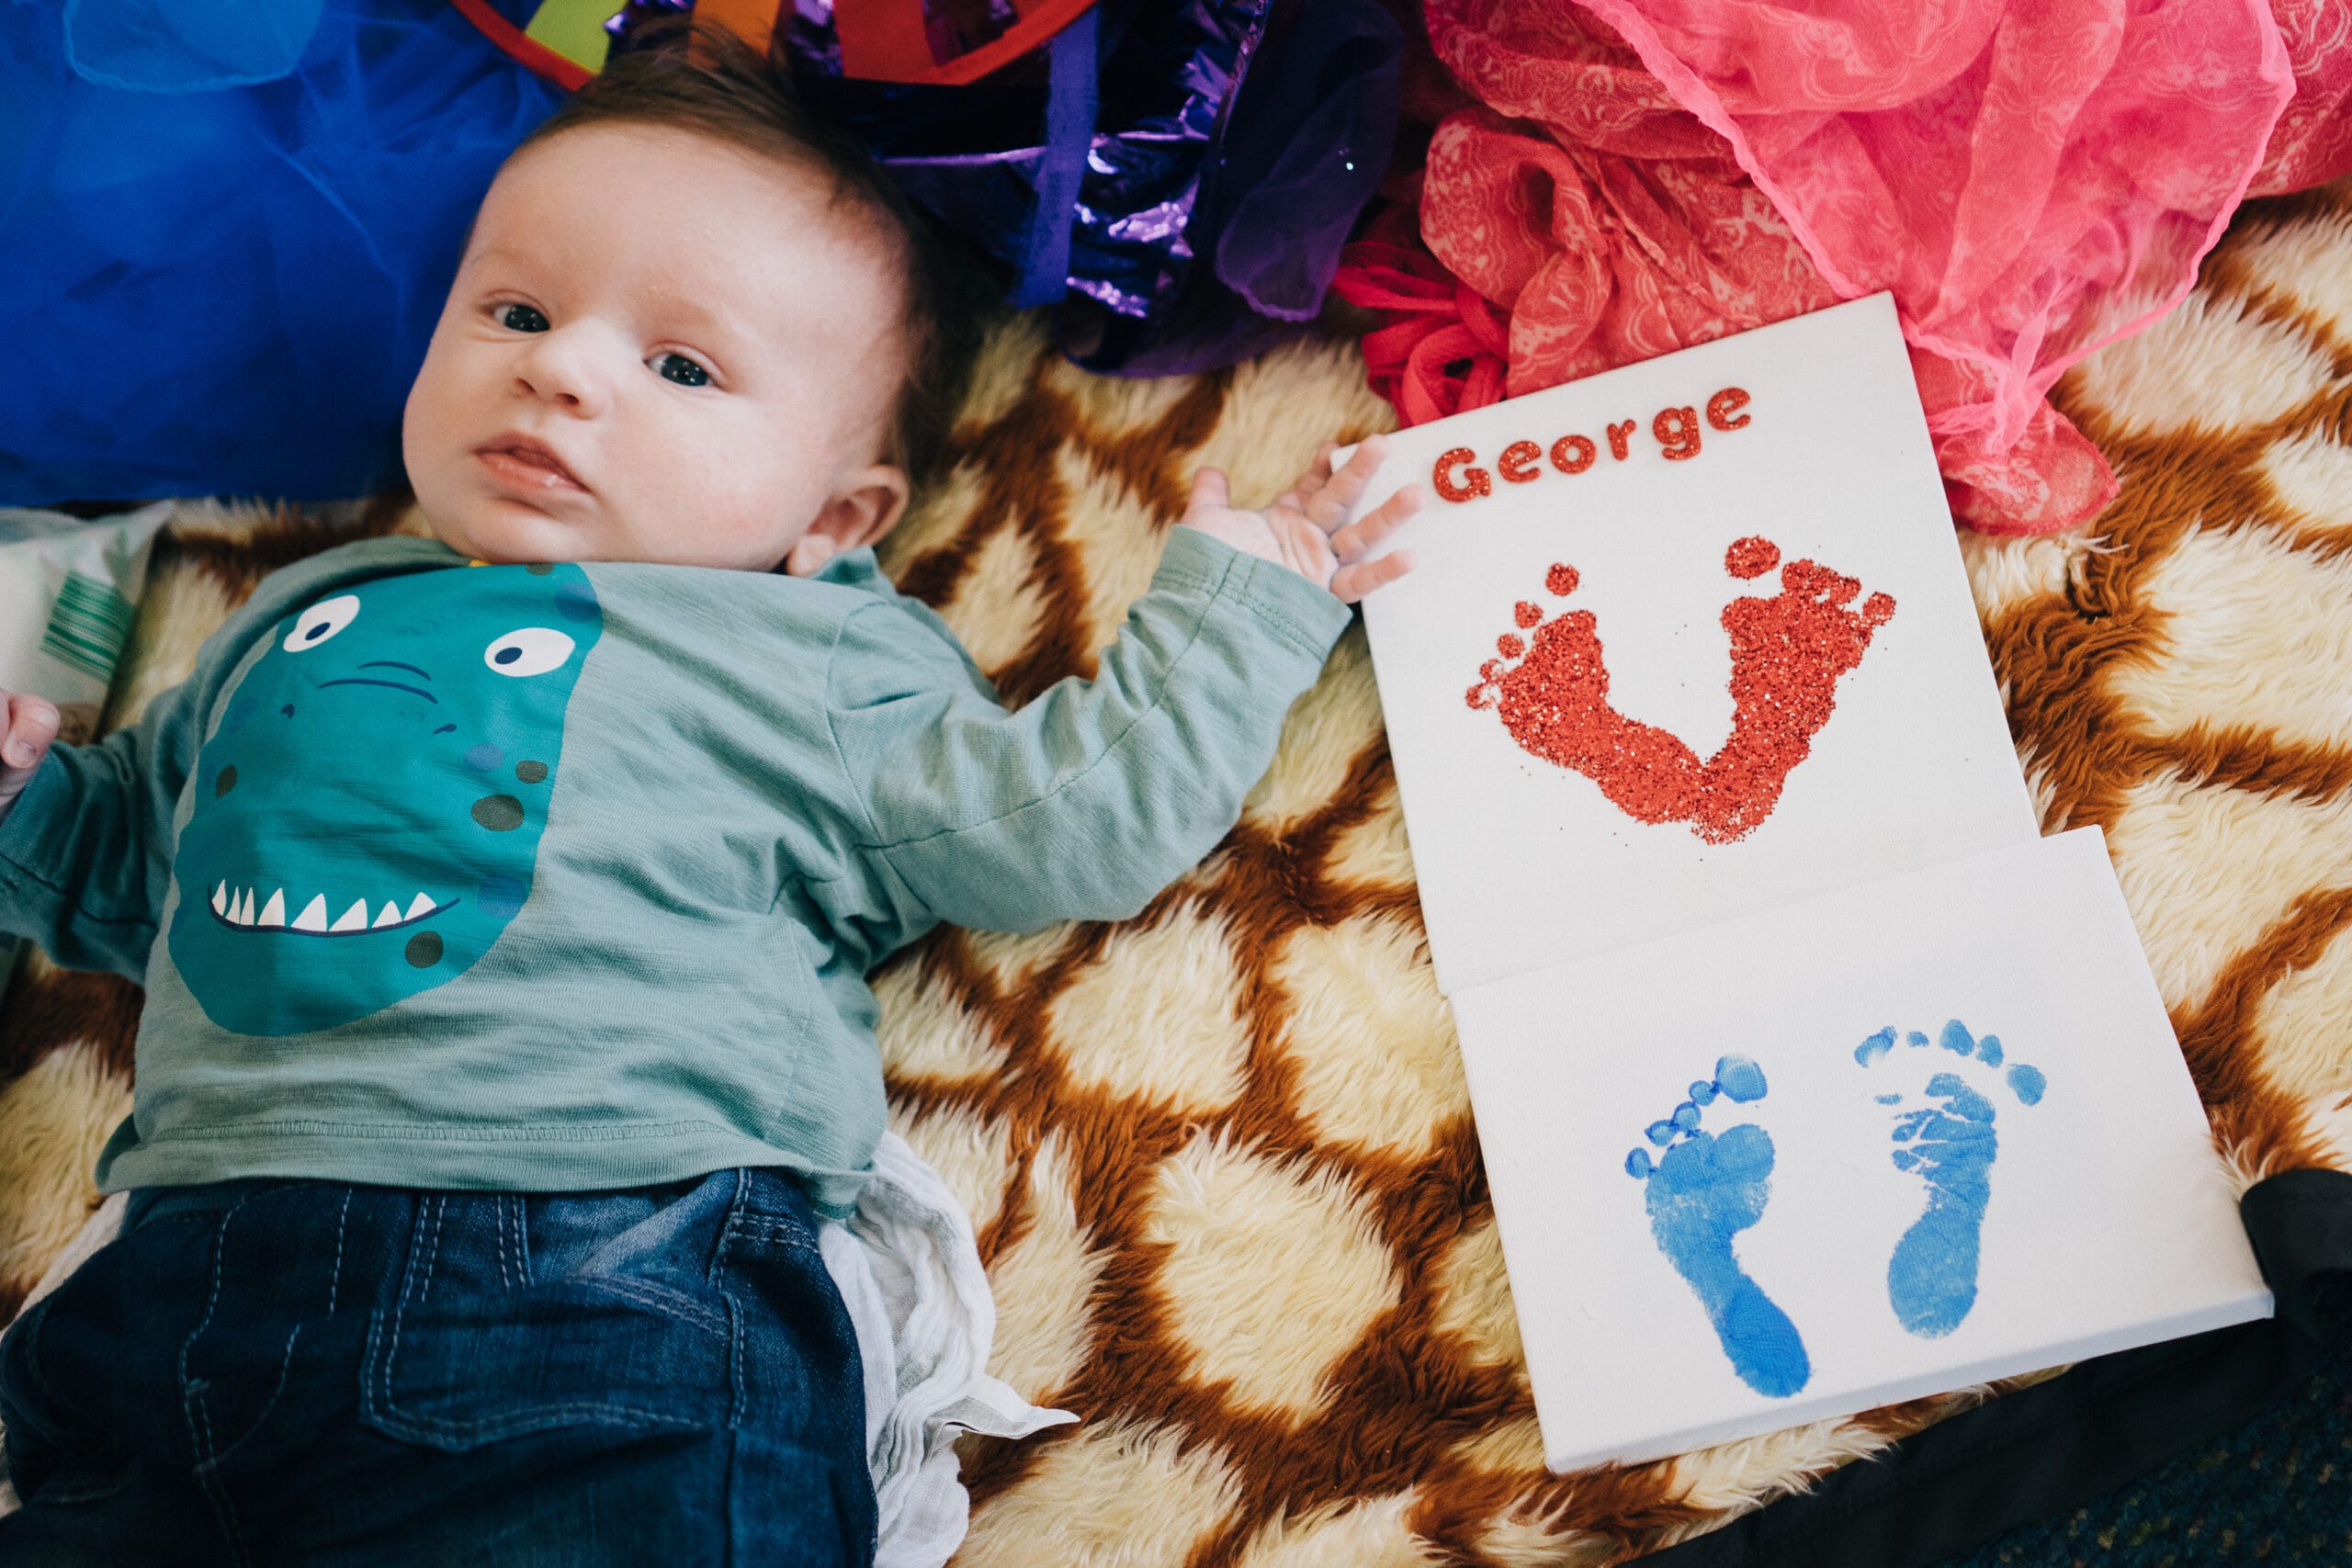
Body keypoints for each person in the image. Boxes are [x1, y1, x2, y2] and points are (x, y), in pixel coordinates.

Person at [0, 25, 1420, 1567]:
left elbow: (1062, 814)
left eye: (681, 365)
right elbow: (132, 876)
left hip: (593, 1291)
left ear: (833, 516)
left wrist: (1239, 607)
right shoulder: (295, 608)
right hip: (165, 1311)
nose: (558, 366)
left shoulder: (806, 653)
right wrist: (23, 798)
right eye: (516, 309)